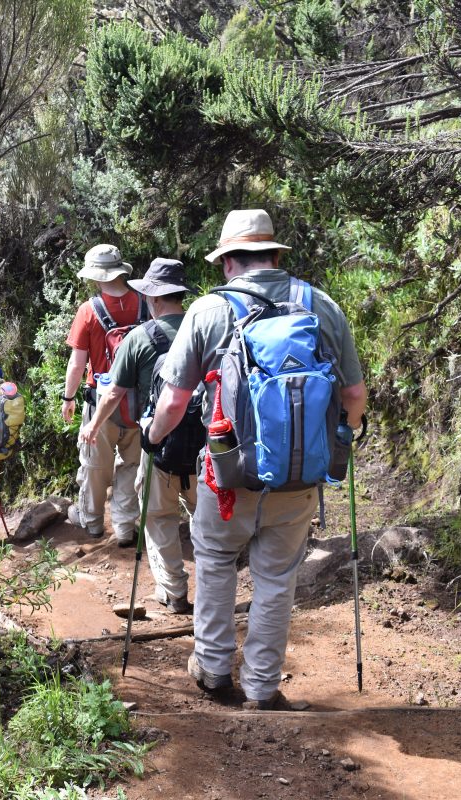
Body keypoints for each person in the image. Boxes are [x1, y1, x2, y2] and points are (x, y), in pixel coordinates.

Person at [145, 209, 367, 710]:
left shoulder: (208, 311)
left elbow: (174, 402)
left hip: (227, 475)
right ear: (275, 255)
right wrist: (335, 442)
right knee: (276, 577)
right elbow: (354, 395)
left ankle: (214, 672)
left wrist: (153, 439)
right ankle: (264, 687)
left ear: (228, 263)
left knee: (218, 561)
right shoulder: (321, 305)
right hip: (299, 478)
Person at [80, 258, 198, 613]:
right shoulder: (203, 327)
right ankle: (214, 587)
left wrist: (94, 425)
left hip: (160, 440)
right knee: (203, 514)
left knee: (159, 515)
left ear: (155, 299)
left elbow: (113, 392)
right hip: (207, 442)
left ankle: (173, 591)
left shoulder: (140, 337)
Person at [62, 243, 147, 542]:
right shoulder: (146, 302)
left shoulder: (89, 311)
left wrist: (68, 398)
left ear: (96, 275)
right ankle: (125, 527)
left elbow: (77, 363)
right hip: (141, 404)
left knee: (95, 466)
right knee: (132, 465)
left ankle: (93, 522)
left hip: (102, 402)